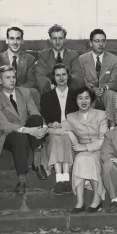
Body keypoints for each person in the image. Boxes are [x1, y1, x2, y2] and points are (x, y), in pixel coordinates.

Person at [0, 65, 48, 194]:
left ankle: (37, 162)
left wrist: (43, 127)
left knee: (36, 119)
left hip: (26, 128)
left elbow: (34, 112)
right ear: (0, 81)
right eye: (8, 77)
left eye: (14, 77)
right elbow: (3, 125)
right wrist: (28, 130)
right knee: (20, 136)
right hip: (7, 135)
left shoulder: (25, 92)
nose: (12, 80)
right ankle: (21, 179)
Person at [48, 87, 107, 214]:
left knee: (89, 158)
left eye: (86, 98)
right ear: (76, 101)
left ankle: (97, 200)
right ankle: (80, 202)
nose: (83, 101)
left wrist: (85, 147)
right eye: (80, 98)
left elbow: (104, 140)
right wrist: (51, 126)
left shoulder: (101, 114)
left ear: (91, 100)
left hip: (99, 149)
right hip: (81, 150)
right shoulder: (71, 117)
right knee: (80, 158)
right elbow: (57, 131)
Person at [0, 26, 40, 132]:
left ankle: (34, 123)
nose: (15, 42)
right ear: (7, 40)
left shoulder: (29, 59)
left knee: (34, 92)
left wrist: (17, 91)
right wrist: (7, 90)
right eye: (11, 38)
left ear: (22, 40)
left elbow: (31, 81)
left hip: (21, 92)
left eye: (18, 38)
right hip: (4, 91)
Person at [40, 64, 78, 195]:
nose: (61, 78)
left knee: (66, 139)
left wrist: (66, 126)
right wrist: (51, 124)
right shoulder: (46, 96)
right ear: (53, 78)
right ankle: (60, 179)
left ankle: (64, 179)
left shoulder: (76, 95)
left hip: (70, 131)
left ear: (68, 76)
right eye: (58, 75)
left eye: (64, 74)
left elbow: (79, 117)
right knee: (56, 139)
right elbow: (43, 118)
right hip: (53, 132)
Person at [72, 29, 117, 128]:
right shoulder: (82, 59)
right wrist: (93, 89)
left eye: (103, 41)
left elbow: (114, 81)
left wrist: (104, 88)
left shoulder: (114, 59)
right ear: (91, 43)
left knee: (111, 94)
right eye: (97, 41)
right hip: (90, 91)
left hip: (105, 93)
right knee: (85, 94)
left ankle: (112, 126)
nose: (101, 44)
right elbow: (82, 80)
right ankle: (88, 126)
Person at [36, 24, 84, 95]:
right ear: (50, 40)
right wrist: (51, 84)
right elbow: (41, 75)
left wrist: (63, 83)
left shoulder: (73, 54)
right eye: (54, 38)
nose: (57, 41)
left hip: (68, 85)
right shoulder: (43, 55)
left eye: (60, 38)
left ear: (65, 40)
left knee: (78, 81)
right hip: (50, 86)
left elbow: (77, 74)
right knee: (42, 83)